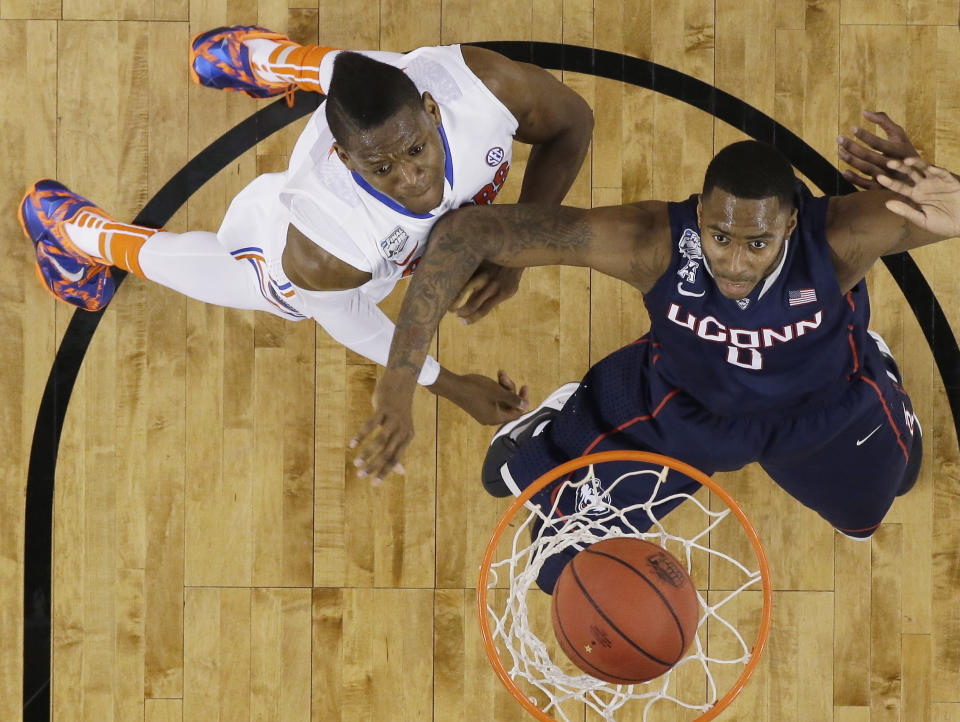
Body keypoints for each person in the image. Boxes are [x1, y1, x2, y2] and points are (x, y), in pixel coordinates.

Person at [350, 138, 960, 588]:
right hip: (682, 407)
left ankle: (873, 366)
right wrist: (401, 385)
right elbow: (464, 236)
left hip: (816, 411)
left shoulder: (842, 237)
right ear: (700, 219)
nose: (737, 264)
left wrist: (952, 193)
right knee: (557, 564)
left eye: (758, 243)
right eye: (721, 237)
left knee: (875, 509)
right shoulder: (649, 243)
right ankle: (567, 418)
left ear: (791, 224)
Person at [19, 25, 595, 429]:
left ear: (433, 108)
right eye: (383, 168)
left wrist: (517, 245)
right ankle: (75, 231)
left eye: (417, 148)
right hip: (292, 236)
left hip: (403, 98)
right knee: (247, 282)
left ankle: (261, 58)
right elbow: (356, 324)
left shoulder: (481, 87)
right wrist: (449, 383)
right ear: (347, 161)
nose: (413, 177)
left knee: (372, 78)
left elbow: (572, 122)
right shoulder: (324, 245)